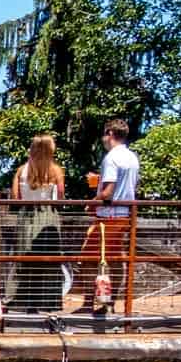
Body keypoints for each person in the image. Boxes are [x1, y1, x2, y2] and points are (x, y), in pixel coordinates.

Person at [77, 120, 140, 311]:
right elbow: (132, 187)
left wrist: (91, 203)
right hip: (124, 215)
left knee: (87, 260)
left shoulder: (111, 158)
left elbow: (108, 192)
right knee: (115, 260)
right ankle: (110, 303)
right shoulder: (132, 158)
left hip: (108, 217)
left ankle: (89, 303)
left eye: (104, 134)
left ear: (110, 133)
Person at [9, 135, 66, 312]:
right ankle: (47, 301)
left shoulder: (21, 171)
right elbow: (61, 197)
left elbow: (15, 198)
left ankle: (20, 300)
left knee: (23, 258)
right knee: (49, 260)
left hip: (26, 216)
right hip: (48, 216)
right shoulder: (56, 171)